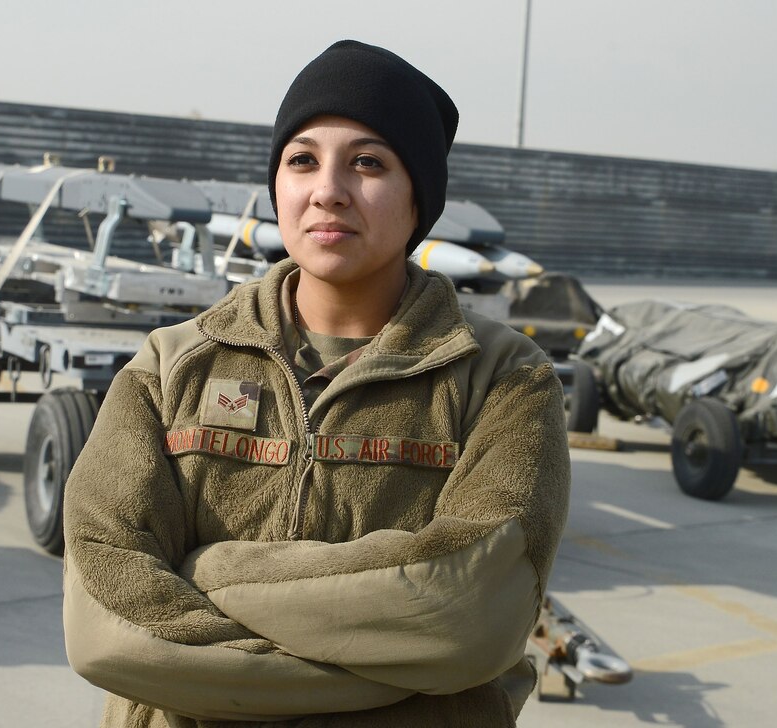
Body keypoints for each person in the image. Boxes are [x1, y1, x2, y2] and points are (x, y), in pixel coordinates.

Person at [62, 39, 571, 728]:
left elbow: (468, 614)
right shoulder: (171, 367)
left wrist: (207, 573)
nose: (328, 190)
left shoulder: (504, 380)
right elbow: (106, 629)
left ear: (419, 197)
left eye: (368, 162)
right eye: (302, 159)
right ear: (278, 185)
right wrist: (386, 662)